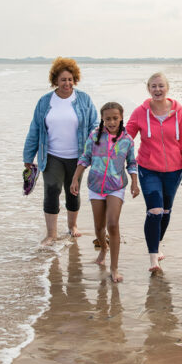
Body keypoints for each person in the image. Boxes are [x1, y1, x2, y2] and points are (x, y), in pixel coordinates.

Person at [126, 73, 182, 273]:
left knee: (166, 211)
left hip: (174, 171)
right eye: (153, 86)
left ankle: (156, 244)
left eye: (161, 86)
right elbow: (127, 138)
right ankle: (153, 259)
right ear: (148, 89)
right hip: (148, 169)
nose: (157, 90)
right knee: (155, 210)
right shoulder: (140, 112)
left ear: (167, 88)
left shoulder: (179, 112)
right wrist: (107, 153)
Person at [23, 57, 98, 246]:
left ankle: (72, 226)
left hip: (78, 156)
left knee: (73, 191)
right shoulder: (45, 101)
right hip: (51, 155)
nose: (67, 83)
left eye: (70, 79)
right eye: (63, 79)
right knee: (51, 189)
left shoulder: (83, 99)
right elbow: (35, 129)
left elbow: (95, 124)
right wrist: (28, 157)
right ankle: (51, 234)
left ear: (75, 80)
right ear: (55, 80)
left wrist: (97, 148)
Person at [70, 102, 140, 283]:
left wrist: (134, 182)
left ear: (121, 117)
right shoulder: (95, 137)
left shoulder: (127, 140)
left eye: (115, 118)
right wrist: (75, 179)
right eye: (108, 118)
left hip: (116, 186)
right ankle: (103, 247)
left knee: (113, 224)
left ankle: (114, 268)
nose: (112, 122)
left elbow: (132, 163)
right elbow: (85, 158)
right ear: (102, 119)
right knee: (99, 227)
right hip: (95, 186)